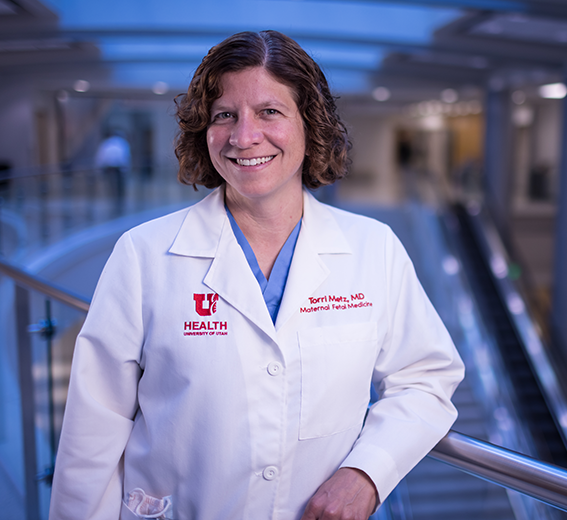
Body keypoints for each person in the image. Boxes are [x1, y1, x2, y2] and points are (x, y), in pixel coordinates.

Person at [50, 30, 464, 520]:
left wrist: (368, 473)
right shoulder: (144, 255)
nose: (244, 136)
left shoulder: (373, 249)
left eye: (270, 112)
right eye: (225, 115)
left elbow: (426, 378)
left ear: (310, 125)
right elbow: (93, 433)